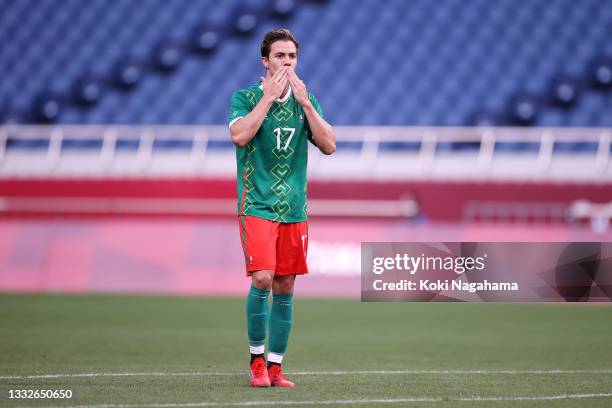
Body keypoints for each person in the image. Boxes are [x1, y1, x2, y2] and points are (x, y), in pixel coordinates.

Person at [228, 28, 336, 388]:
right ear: (265, 61)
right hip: (257, 205)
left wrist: (305, 104)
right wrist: (268, 99)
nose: (286, 63)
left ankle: (276, 367)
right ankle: (256, 361)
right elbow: (240, 135)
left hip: (294, 209)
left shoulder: (307, 101)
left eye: (291, 57)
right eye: (279, 56)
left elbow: (329, 145)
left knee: (286, 285)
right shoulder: (245, 97)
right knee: (263, 278)